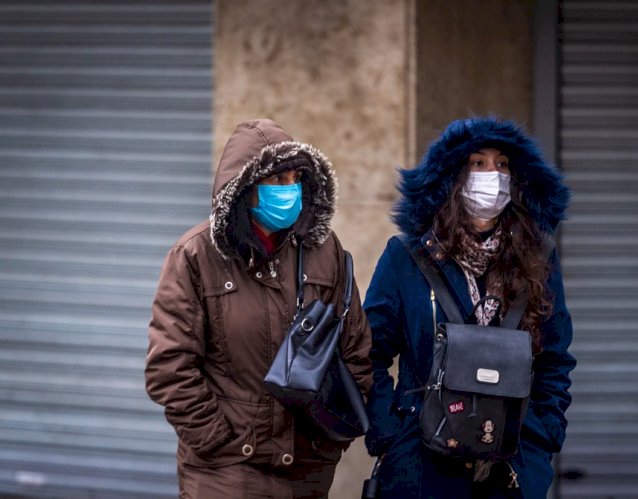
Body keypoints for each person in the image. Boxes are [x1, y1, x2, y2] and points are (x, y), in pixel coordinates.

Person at [145, 119, 372, 498]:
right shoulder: (195, 256)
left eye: (296, 179)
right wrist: (218, 442)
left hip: (307, 471)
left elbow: (355, 347)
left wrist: (330, 440)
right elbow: (169, 367)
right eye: (276, 181)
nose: (289, 191)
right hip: (227, 475)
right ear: (245, 189)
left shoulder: (323, 250)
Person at [363, 117, 575, 498]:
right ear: (452, 176)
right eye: (477, 163)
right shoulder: (406, 257)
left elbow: (554, 359)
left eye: (502, 165)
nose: (492, 175)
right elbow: (367, 353)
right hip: (421, 465)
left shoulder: (539, 259)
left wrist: (542, 438)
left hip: (511, 467)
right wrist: (389, 434)